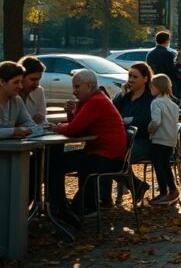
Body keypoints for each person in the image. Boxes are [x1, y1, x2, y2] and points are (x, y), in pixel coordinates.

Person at [52, 69, 127, 217]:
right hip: (103, 151)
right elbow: (78, 127)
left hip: (106, 155)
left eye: (77, 87)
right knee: (57, 162)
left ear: (90, 86)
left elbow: (72, 130)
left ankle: (60, 207)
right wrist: (71, 114)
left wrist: (57, 127)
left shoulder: (96, 101)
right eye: (74, 87)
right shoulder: (93, 100)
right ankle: (75, 205)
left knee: (55, 164)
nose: (74, 91)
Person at [103, 62, 155, 205]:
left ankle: (131, 187)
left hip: (143, 141)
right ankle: (108, 197)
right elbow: (111, 112)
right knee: (102, 154)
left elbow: (146, 120)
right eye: (129, 76)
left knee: (112, 158)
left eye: (135, 76)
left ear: (145, 78)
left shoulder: (150, 98)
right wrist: (121, 95)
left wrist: (126, 120)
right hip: (121, 139)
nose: (130, 79)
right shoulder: (126, 96)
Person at [147, 74, 181, 205]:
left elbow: (156, 121)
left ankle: (163, 192)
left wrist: (149, 129)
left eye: (152, 86)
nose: (150, 89)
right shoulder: (173, 104)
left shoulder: (156, 102)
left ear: (157, 87)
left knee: (158, 165)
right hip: (171, 139)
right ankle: (172, 189)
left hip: (159, 139)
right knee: (166, 165)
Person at [1, 61, 39, 139]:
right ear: (2, 82)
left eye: (21, 82)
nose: (20, 86)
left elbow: (30, 124)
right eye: (16, 82)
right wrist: (13, 131)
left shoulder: (17, 100)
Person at [18, 56, 48, 124]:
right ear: (21, 77)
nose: (37, 84)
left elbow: (43, 120)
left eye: (39, 79)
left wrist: (41, 119)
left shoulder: (39, 91)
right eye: (33, 79)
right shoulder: (12, 93)